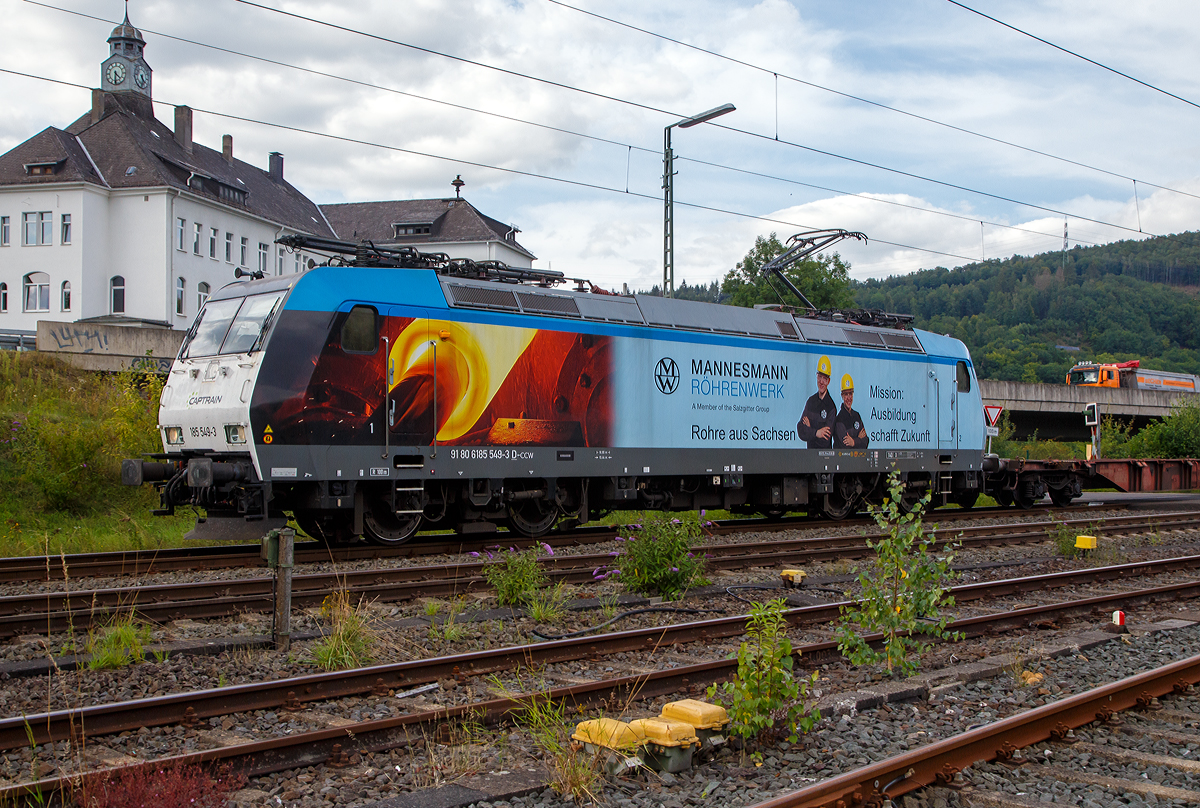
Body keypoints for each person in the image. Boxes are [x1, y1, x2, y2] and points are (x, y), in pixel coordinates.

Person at [797, 355, 836, 448]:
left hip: (824, 457)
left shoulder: (831, 407)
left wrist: (810, 429)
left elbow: (824, 441)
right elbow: (800, 429)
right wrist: (816, 432)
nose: (821, 382)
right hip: (810, 457)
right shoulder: (810, 402)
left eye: (824, 378)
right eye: (819, 377)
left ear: (828, 381)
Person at [835, 373, 869, 448]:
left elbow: (866, 441)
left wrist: (853, 442)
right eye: (846, 394)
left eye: (850, 394)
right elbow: (845, 446)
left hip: (858, 459)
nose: (848, 398)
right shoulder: (839, 419)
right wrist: (859, 439)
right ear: (842, 396)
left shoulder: (856, 415)